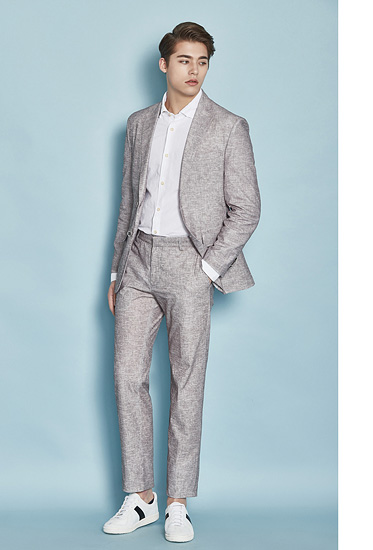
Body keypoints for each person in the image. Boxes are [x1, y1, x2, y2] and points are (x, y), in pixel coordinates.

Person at [103, 21, 261, 543]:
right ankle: (141, 498)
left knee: (186, 383)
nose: (194, 70)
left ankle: (177, 504)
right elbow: (128, 202)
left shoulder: (228, 126)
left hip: (190, 263)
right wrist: (116, 269)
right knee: (127, 377)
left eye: (203, 61)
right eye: (185, 60)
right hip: (138, 262)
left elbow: (247, 207)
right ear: (165, 64)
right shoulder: (138, 124)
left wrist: (208, 269)